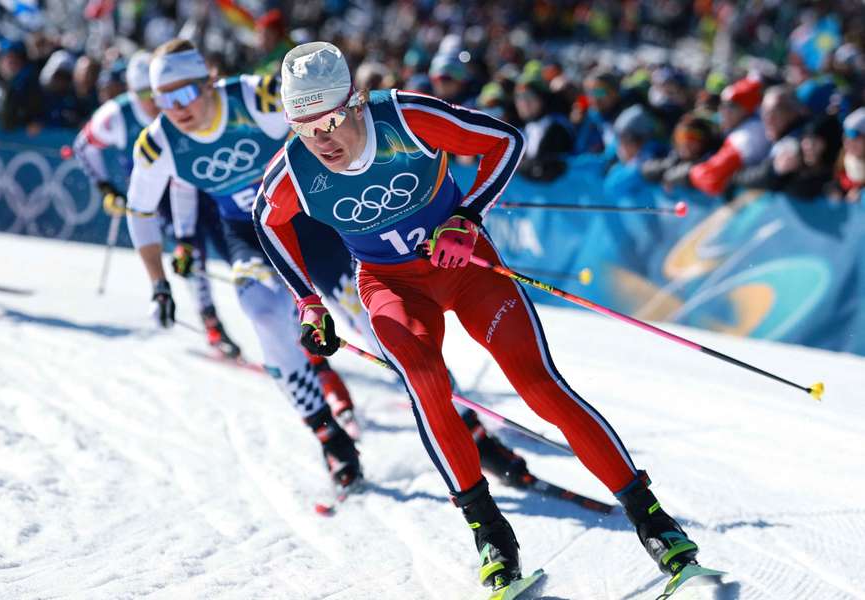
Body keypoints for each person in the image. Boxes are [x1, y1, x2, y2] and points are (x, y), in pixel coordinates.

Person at [254, 41, 700, 592]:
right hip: (390, 283)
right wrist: (308, 301)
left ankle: (655, 523)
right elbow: (267, 220)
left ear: (356, 102)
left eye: (329, 120)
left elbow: (506, 142)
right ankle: (491, 536)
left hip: (465, 265)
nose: (320, 138)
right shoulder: (295, 168)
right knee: (425, 382)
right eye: (303, 126)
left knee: (538, 386)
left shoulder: (407, 118)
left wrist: (467, 217)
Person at [124, 39, 372, 491]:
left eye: (185, 94)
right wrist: (158, 283)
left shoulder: (254, 99)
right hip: (249, 234)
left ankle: (461, 416)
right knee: (261, 313)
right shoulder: (158, 143)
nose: (176, 108)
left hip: (307, 221)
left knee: (366, 318)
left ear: (209, 81)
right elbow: (138, 211)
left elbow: (331, 127)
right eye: (164, 98)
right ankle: (330, 437)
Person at [72, 50, 241, 358]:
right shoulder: (116, 115)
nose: (153, 102)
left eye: (158, 93)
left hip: (196, 181)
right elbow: (83, 146)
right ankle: (210, 320)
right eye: (144, 95)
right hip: (156, 196)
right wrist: (105, 187)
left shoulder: (178, 109)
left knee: (231, 245)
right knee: (190, 251)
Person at [689, 77, 769, 196]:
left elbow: (711, 179)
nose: (721, 109)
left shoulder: (744, 138)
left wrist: (690, 171)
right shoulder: (757, 123)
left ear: (745, 109)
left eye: (729, 105)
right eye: (721, 104)